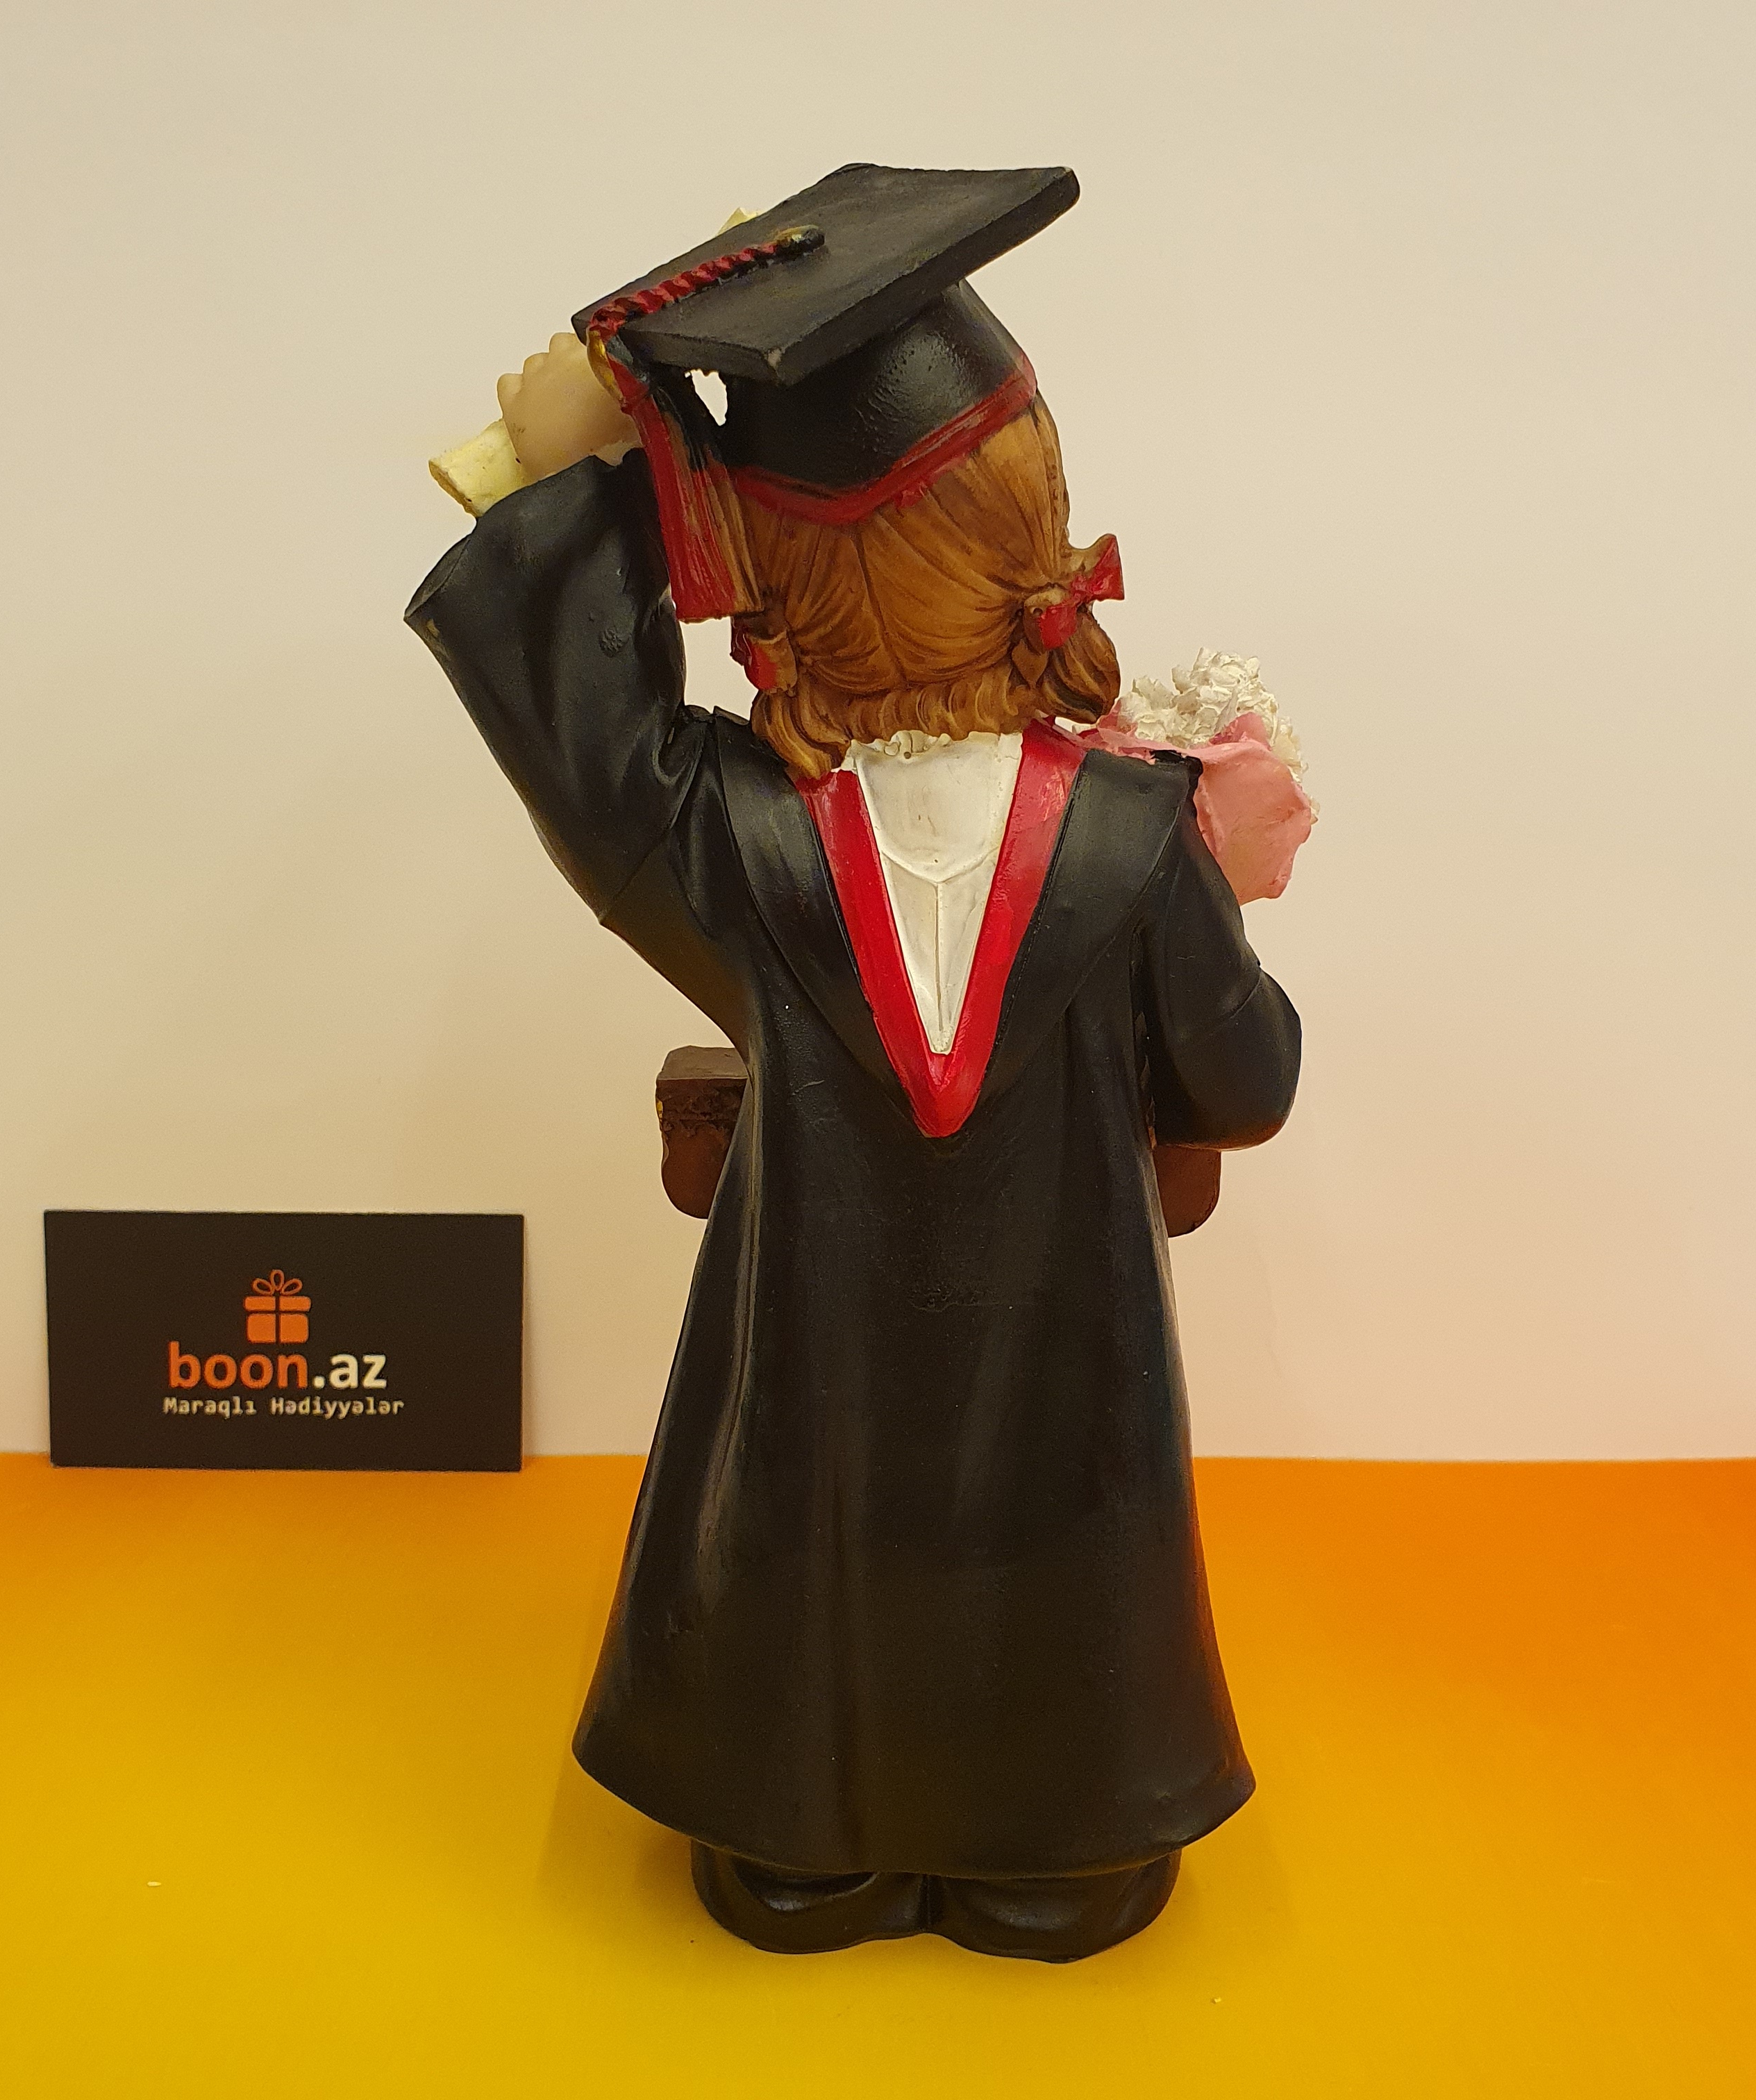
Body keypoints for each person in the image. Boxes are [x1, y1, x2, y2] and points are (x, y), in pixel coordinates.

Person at [407, 163, 1302, 1961]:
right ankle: (1056, 1833)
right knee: (1060, 1533)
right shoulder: (1137, 835)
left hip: (817, 1352)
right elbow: (1247, 1086)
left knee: (809, 1526)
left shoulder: (737, 843)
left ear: (765, 588)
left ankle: (806, 1831)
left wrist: (568, 475)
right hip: (1072, 1370)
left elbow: (590, 748)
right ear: (1036, 535)